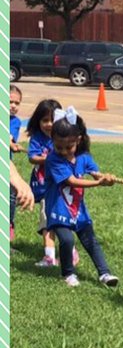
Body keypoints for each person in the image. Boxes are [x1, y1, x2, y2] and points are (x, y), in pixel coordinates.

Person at [43, 107, 118, 289]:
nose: (63, 151)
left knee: (91, 241)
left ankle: (105, 273)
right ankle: (68, 273)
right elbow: (72, 181)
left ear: (78, 140)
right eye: (59, 147)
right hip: (58, 210)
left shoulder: (84, 158)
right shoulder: (53, 160)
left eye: (69, 147)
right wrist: (99, 183)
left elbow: (95, 173)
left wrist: (104, 178)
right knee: (67, 240)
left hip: (78, 211)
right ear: (52, 141)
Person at [25, 97, 62, 266]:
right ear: (38, 121)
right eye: (45, 120)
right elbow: (32, 157)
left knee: (61, 219)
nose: (49, 124)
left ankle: (69, 252)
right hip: (45, 187)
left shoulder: (63, 137)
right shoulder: (37, 138)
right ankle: (50, 257)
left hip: (62, 186)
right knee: (47, 220)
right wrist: (48, 159)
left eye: (53, 120)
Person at [10, 84, 23, 239]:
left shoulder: (15, 122)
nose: (13, 106)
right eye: (10, 101)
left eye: (17, 103)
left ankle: (9, 225)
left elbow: (9, 138)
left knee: (11, 195)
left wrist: (12, 145)